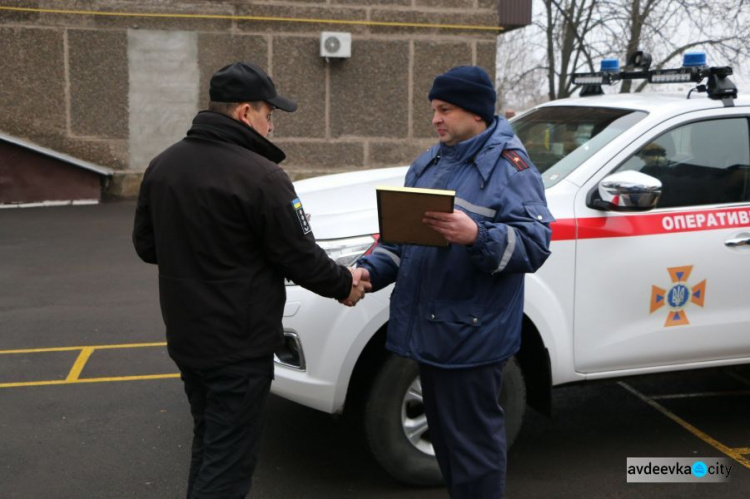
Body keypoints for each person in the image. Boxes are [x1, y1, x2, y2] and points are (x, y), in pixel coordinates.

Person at [132, 61, 370, 499]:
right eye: (269, 113)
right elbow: (301, 258)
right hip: (239, 348)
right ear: (245, 113)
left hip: (188, 338)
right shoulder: (263, 177)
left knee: (210, 445)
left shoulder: (163, 166)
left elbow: (146, 246)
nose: (272, 123)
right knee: (228, 465)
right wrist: (345, 283)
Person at [356, 66, 552, 498]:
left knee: (476, 458)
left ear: (477, 113)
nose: (435, 119)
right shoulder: (429, 163)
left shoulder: (510, 169)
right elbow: (400, 241)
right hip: (429, 335)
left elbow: (535, 245)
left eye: (445, 109)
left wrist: (477, 235)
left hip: (472, 340)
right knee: (448, 451)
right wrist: (369, 269)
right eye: (433, 110)